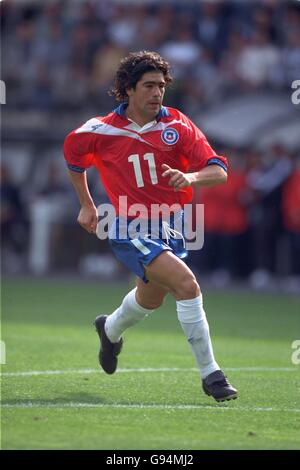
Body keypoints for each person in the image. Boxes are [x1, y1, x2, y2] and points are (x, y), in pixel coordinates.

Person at [63, 51, 238, 402]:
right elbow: (73, 157)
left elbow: (219, 170)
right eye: (149, 86)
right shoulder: (100, 130)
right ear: (128, 89)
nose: (157, 93)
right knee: (187, 286)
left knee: (150, 298)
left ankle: (109, 330)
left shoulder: (179, 125)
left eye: (162, 86)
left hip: (173, 226)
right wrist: (86, 204)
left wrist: (189, 175)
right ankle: (212, 375)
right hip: (127, 225)